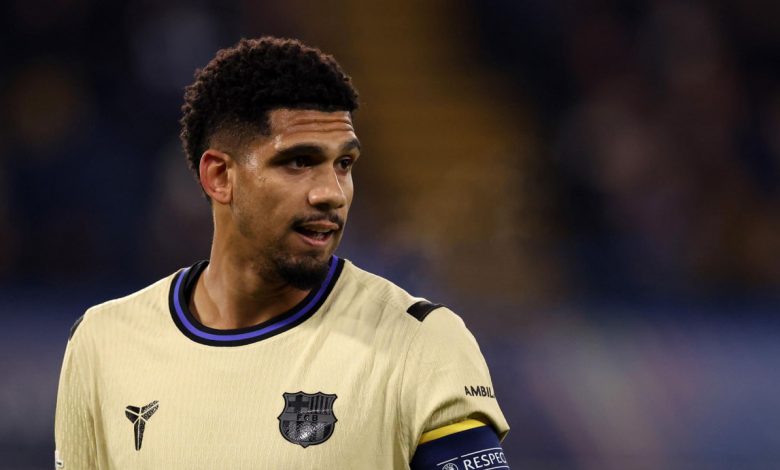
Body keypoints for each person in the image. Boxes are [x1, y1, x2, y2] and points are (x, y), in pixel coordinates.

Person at [54, 36, 510, 469]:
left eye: (343, 164)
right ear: (219, 177)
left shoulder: (420, 343)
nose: (332, 193)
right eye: (299, 162)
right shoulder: (102, 344)